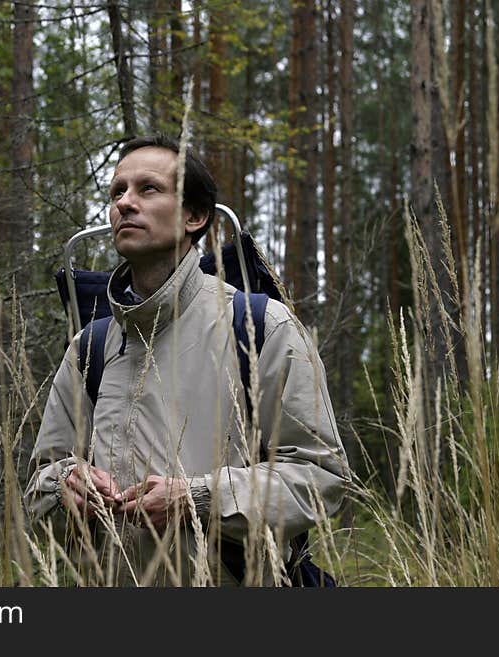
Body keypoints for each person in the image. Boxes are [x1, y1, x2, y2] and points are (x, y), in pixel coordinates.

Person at [23, 134, 349, 586]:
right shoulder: (88, 348)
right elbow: (39, 479)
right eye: (117, 192)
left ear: (195, 217)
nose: (125, 204)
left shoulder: (260, 327)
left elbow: (322, 479)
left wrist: (199, 499)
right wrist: (65, 483)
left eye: (148, 189)